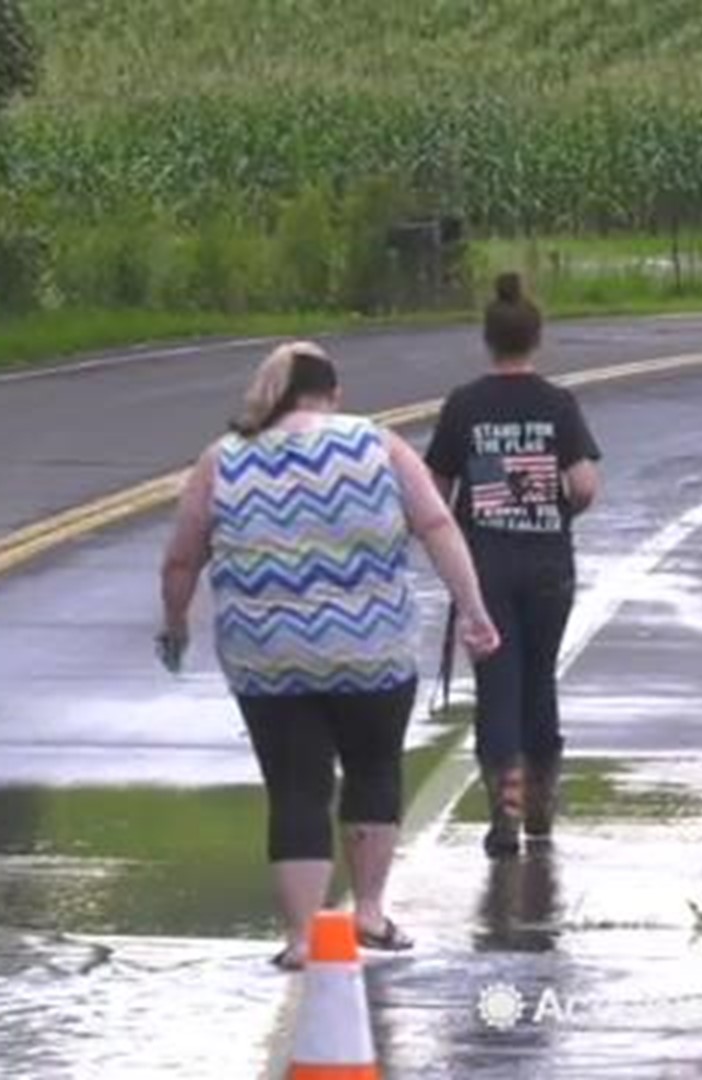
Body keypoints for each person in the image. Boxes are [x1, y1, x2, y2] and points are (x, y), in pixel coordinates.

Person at [159, 341, 499, 967]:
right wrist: (474, 613)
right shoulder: (377, 444)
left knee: (296, 789)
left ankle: (301, 939)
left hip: (268, 655)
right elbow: (437, 526)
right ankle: (368, 913)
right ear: (334, 394)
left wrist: (176, 623)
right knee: (373, 771)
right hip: (373, 647)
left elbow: (183, 557)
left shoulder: (223, 459)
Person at [425, 273, 601, 858]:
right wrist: (550, 505)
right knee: (540, 678)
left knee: (497, 684)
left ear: (487, 339)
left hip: (485, 566)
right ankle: (541, 802)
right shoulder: (558, 404)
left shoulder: (463, 405)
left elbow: (434, 491)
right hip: (549, 560)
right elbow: (583, 486)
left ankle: (505, 803)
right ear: (536, 338)